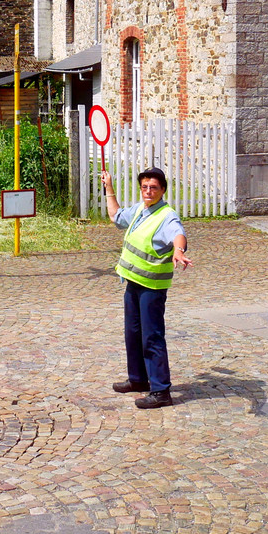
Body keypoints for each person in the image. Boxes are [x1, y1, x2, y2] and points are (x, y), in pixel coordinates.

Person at [100, 166, 193, 409]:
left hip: (151, 288)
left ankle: (161, 391)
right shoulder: (141, 209)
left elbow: (178, 234)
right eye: (144, 187)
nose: (148, 191)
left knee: (152, 337)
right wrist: (108, 186)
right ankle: (139, 379)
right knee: (132, 334)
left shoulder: (166, 216)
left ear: (162, 190)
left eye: (153, 187)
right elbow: (117, 217)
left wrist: (179, 251)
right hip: (133, 283)